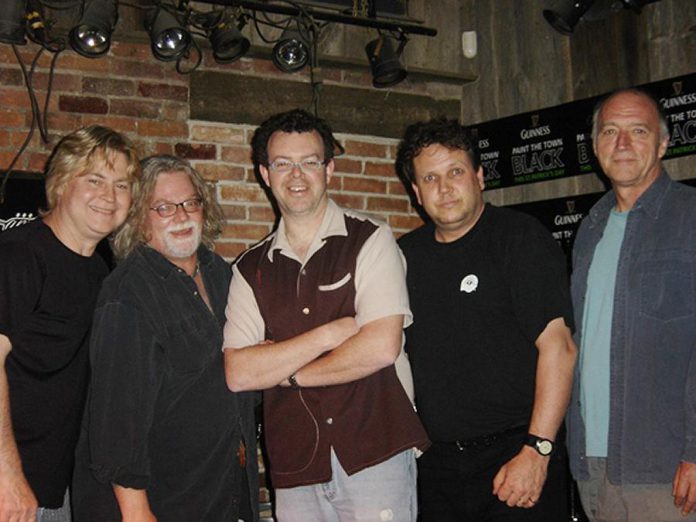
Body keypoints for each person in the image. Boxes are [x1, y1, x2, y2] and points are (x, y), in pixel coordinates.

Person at [223, 109, 430, 522]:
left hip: (376, 451)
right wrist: (328, 335)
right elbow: (239, 373)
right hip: (296, 461)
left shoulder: (371, 239)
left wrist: (285, 371)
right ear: (265, 173)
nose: (296, 175)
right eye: (283, 163)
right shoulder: (248, 269)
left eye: (309, 161)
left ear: (329, 169)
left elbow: (380, 347)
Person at [396, 117, 577, 521]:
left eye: (455, 172)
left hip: (515, 455)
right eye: (430, 178)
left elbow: (559, 347)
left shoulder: (520, 239)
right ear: (416, 192)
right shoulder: (403, 257)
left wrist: (538, 450)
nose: (444, 188)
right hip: (436, 467)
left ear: (479, 176)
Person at [72, 155, 259, 521]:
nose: (181, 215)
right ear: (140, 220)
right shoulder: (127, 294)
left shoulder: (222, 274)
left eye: (191, 203)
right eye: (163, 208)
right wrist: (137, 512)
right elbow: (116, 420)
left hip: (217, 493)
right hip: (159, 501)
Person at [567, 88, 696, 521]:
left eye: (637, 131)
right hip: (595, 462)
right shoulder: (591, 227)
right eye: (610, 132)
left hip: (667, 466)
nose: (622, 144)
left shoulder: (691, 216)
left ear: (662, 143)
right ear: (595, 146)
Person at [0, 125, 139, 521]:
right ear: (61, 183)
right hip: (11, 486)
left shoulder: (100, 272)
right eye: (95, 180)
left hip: (54, 487)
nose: (109, 197)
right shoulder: (19, 254)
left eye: (122, 185)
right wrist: (7, 475)